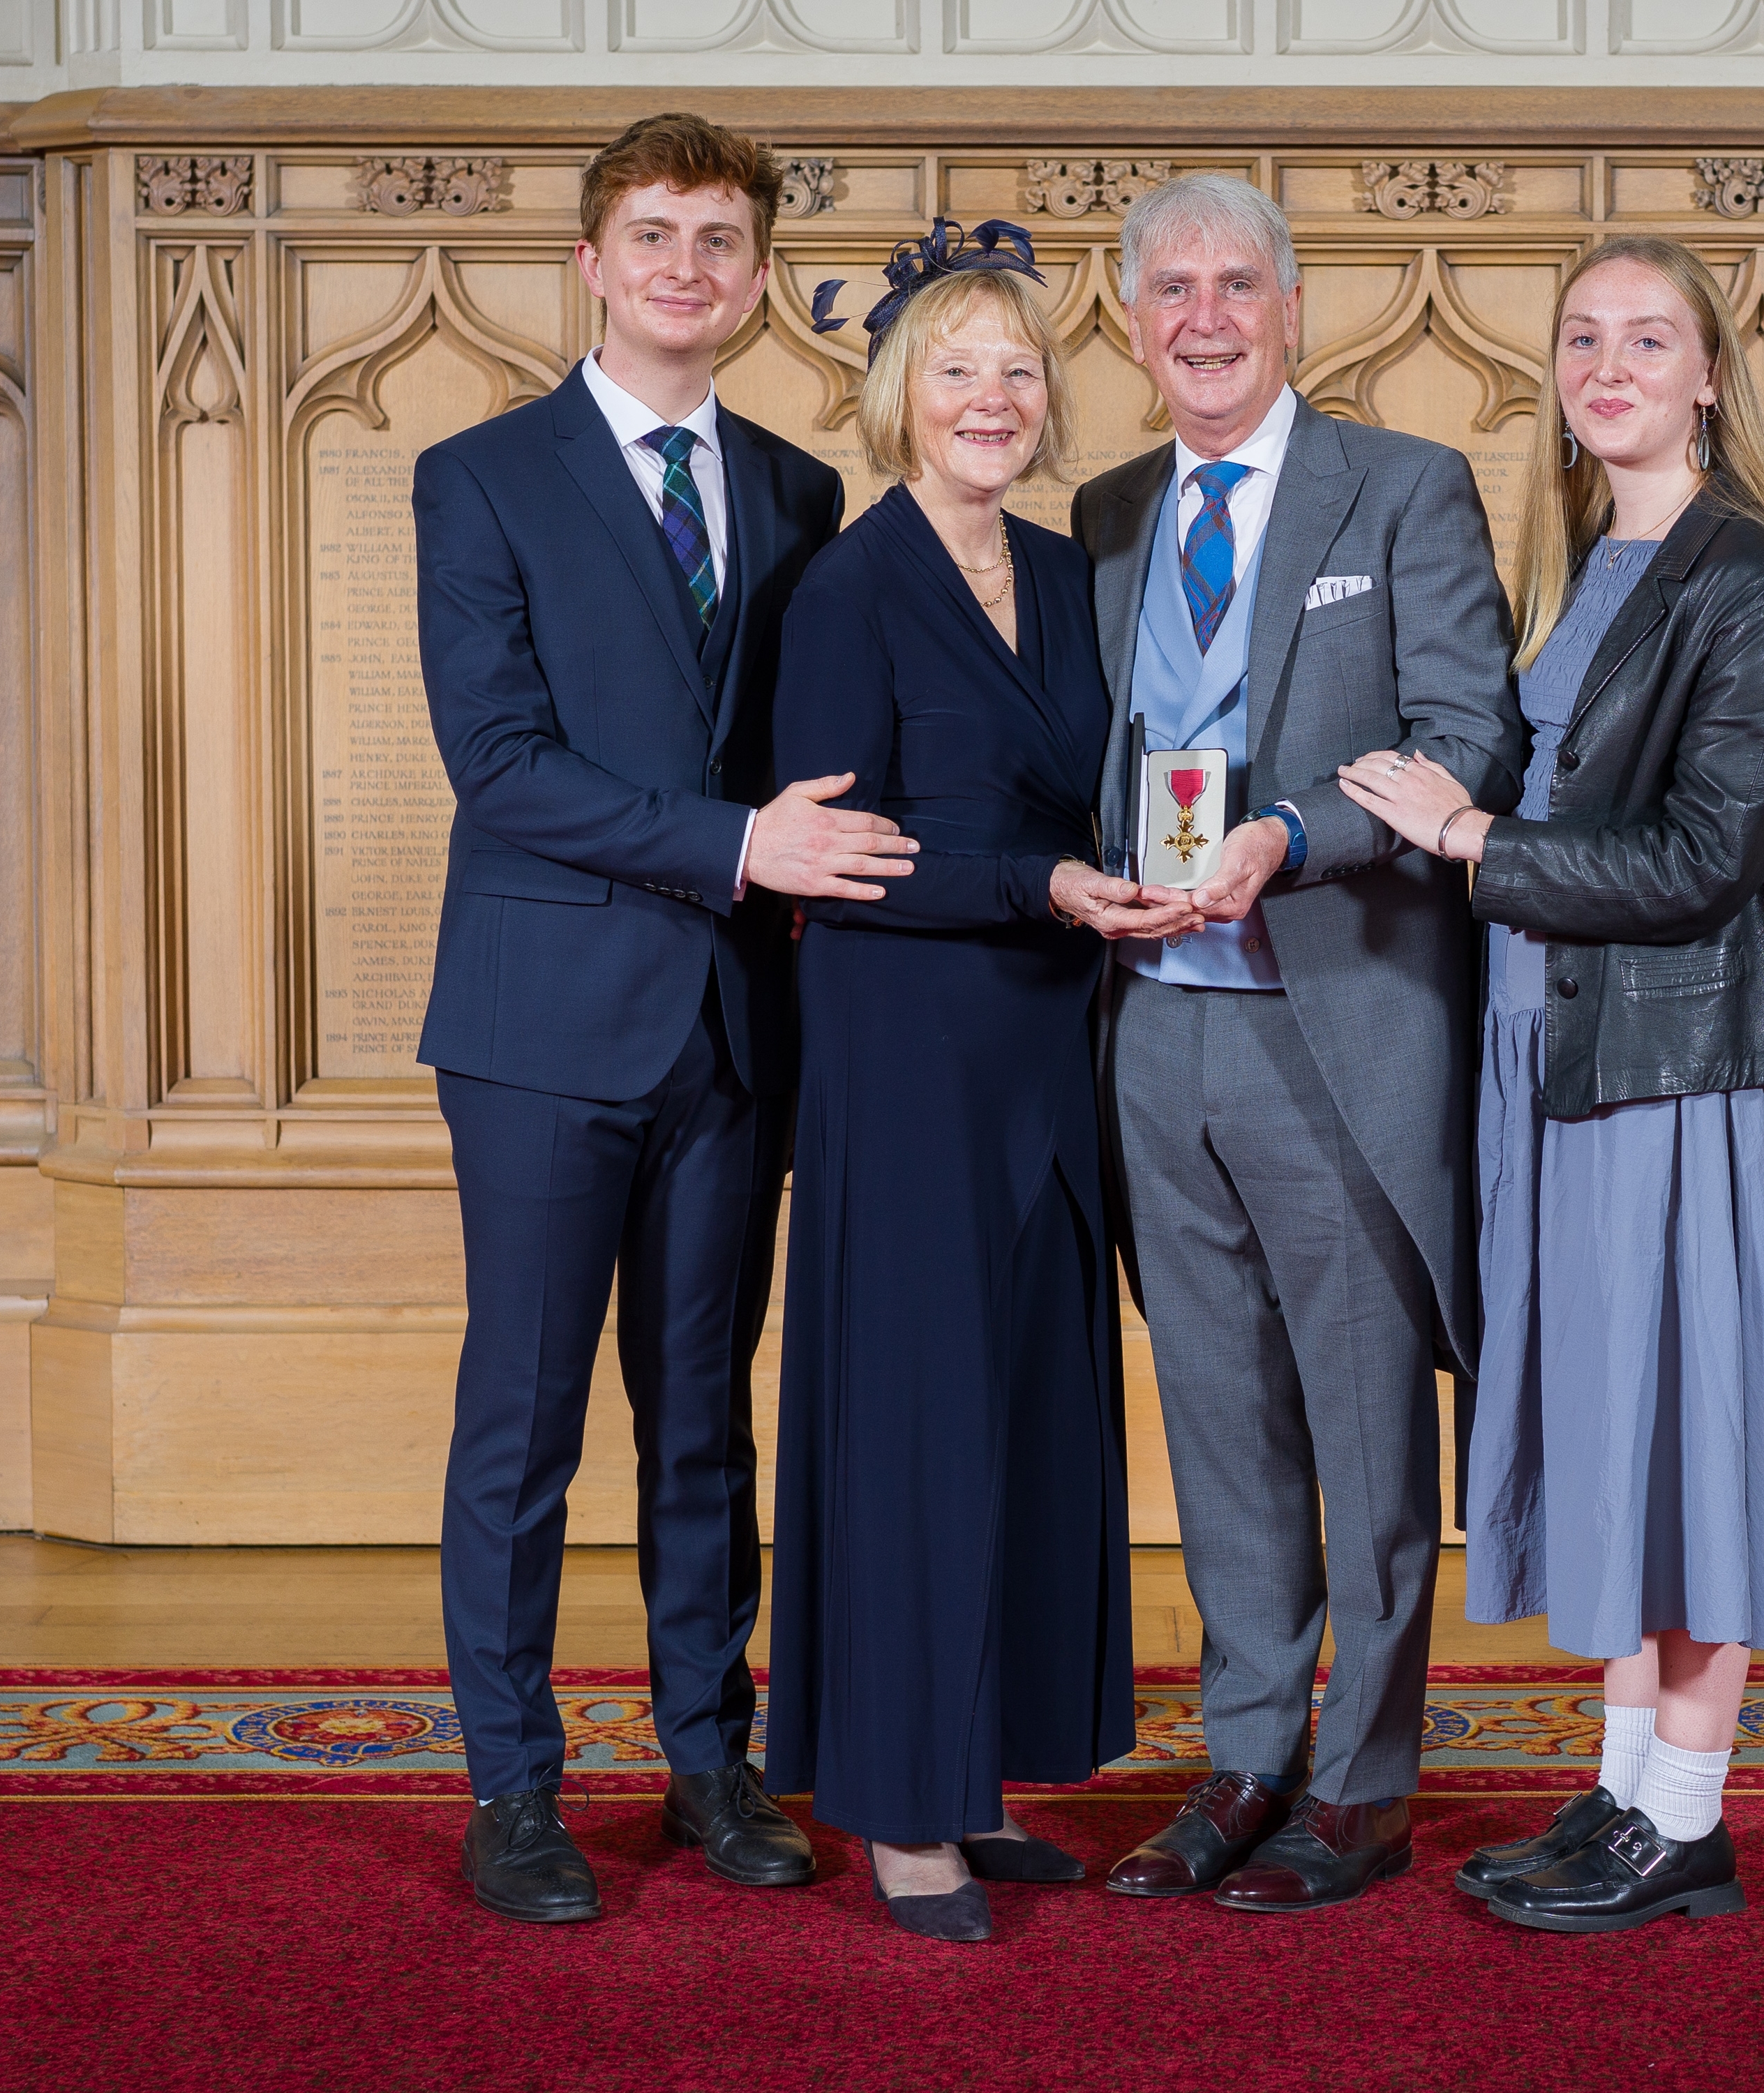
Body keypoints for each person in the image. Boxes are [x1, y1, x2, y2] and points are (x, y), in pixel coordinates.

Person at [411, 111, 921, 1924]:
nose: (686, 268)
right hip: (541, 1029)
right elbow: (500, 769)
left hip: (731, 1034)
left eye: (720, 240)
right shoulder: (480, 480)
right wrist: (735, 845)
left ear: (760, 276)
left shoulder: (793, 489)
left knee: (703, 1420)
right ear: (591, 262)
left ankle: (709, 1759)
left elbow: (822, 753)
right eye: (654, 236)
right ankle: (518, 1792)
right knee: (525, 1423)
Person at [1336, 234, 1764, 1933]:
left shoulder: (1743, 578)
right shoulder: (1589, 566)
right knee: (1609, 1430)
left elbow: (1705, 857)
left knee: (1686, 1432)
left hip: (1669, 1072)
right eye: (1581, 338)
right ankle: (1623, 1795)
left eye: (1647, 340)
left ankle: (1688, 1819)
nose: (1608, 365)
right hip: (1549, 1056)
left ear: (1709, 374)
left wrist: (1472, 834)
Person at [1073, 174, 1525, 1914]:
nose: (1204, 314)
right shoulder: (1107, 514)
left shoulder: (1401, 488)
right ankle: (1249, 1754)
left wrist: (1290, 836)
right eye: (1172, 287)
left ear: (1292, 307)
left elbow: (1461, 728)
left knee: (1356, 1425)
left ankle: (1365, 1783)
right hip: (1154, 1042)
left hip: (1334, 1022)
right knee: (1218, 1422)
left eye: (1236, 284)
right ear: (1132, 321)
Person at [763, 227, 1185, 1946]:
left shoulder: (1068, 569)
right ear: (897, 399)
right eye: (957, 370)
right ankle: (900, 1808)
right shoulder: (849, 593)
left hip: (1044, 1043)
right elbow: (837, 858)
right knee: (917, 1427)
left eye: (1018, 370)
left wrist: (1146, 868)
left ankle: (984, 1770)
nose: (992, 399)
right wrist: (1040, 885)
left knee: (1025, 1408)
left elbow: (1108, 783)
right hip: (908, 1044)